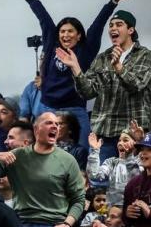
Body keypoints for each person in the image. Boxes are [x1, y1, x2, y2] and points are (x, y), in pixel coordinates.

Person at [23, 0, 128, 147]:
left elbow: (99, 23)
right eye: (62, 31)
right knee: (44, 150)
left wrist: (114, 0)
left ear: (79, 35)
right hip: (48, 108)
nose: (65, 35)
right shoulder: (52, 45)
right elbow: (43, 17)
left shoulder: (86, 49)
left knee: (84, 150)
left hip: (75, 109)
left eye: (70, 31)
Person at [59, 9, 151, 162]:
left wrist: (119, 68)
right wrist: (75, 68)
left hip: (135, 135)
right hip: (105, 133)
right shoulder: (102, 58)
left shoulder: (146, 56)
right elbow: (87, 92)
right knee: (100, 181)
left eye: (119, 24)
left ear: (130, 30)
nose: (113, 28)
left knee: (133, 182)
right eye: (111, 25)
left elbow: (136, 85)